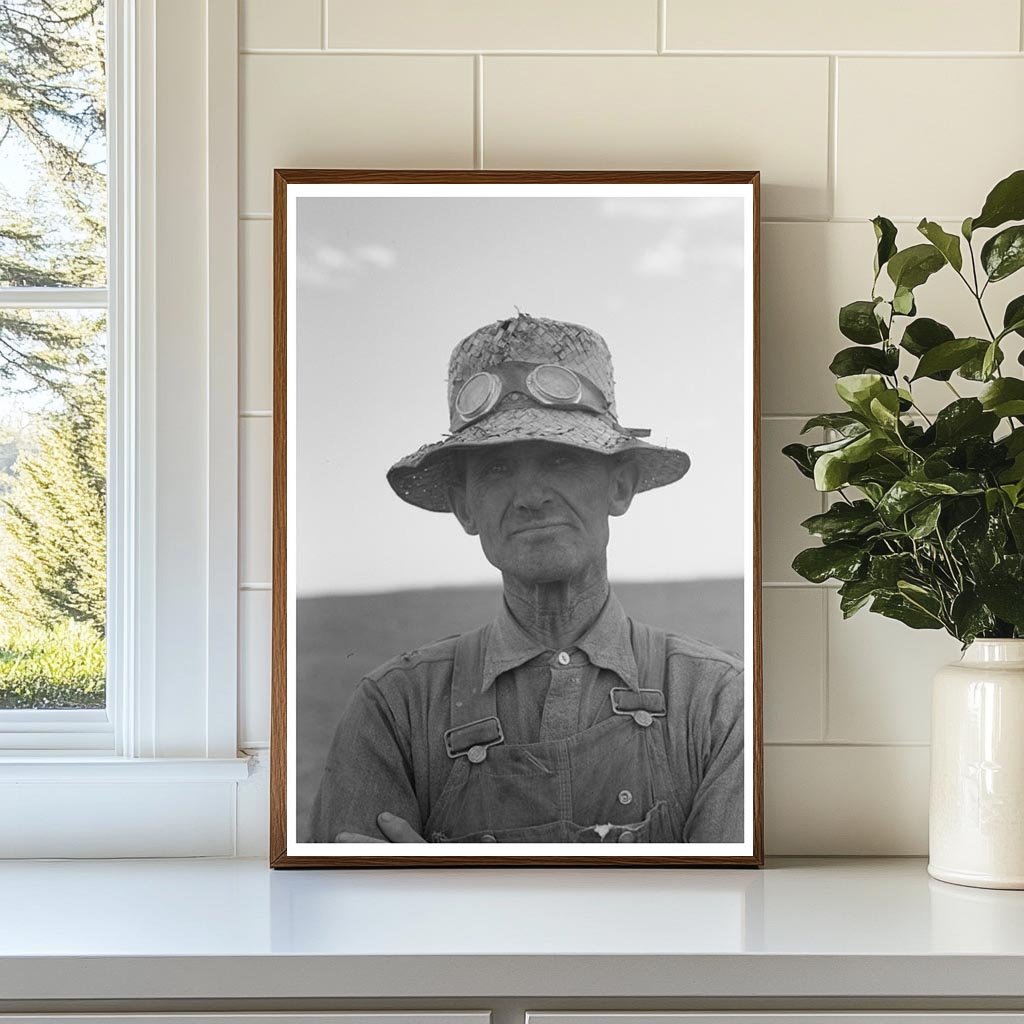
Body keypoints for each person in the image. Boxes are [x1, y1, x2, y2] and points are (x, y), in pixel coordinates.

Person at [309, 313, 744, 844]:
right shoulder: (394, 710)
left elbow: (724, 912)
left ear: (621, 486)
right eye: (496, 469)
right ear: (464, 508)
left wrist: (440, 897)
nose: (531, 495)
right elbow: (352, 917)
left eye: (562, 459)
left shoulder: (719, 700)